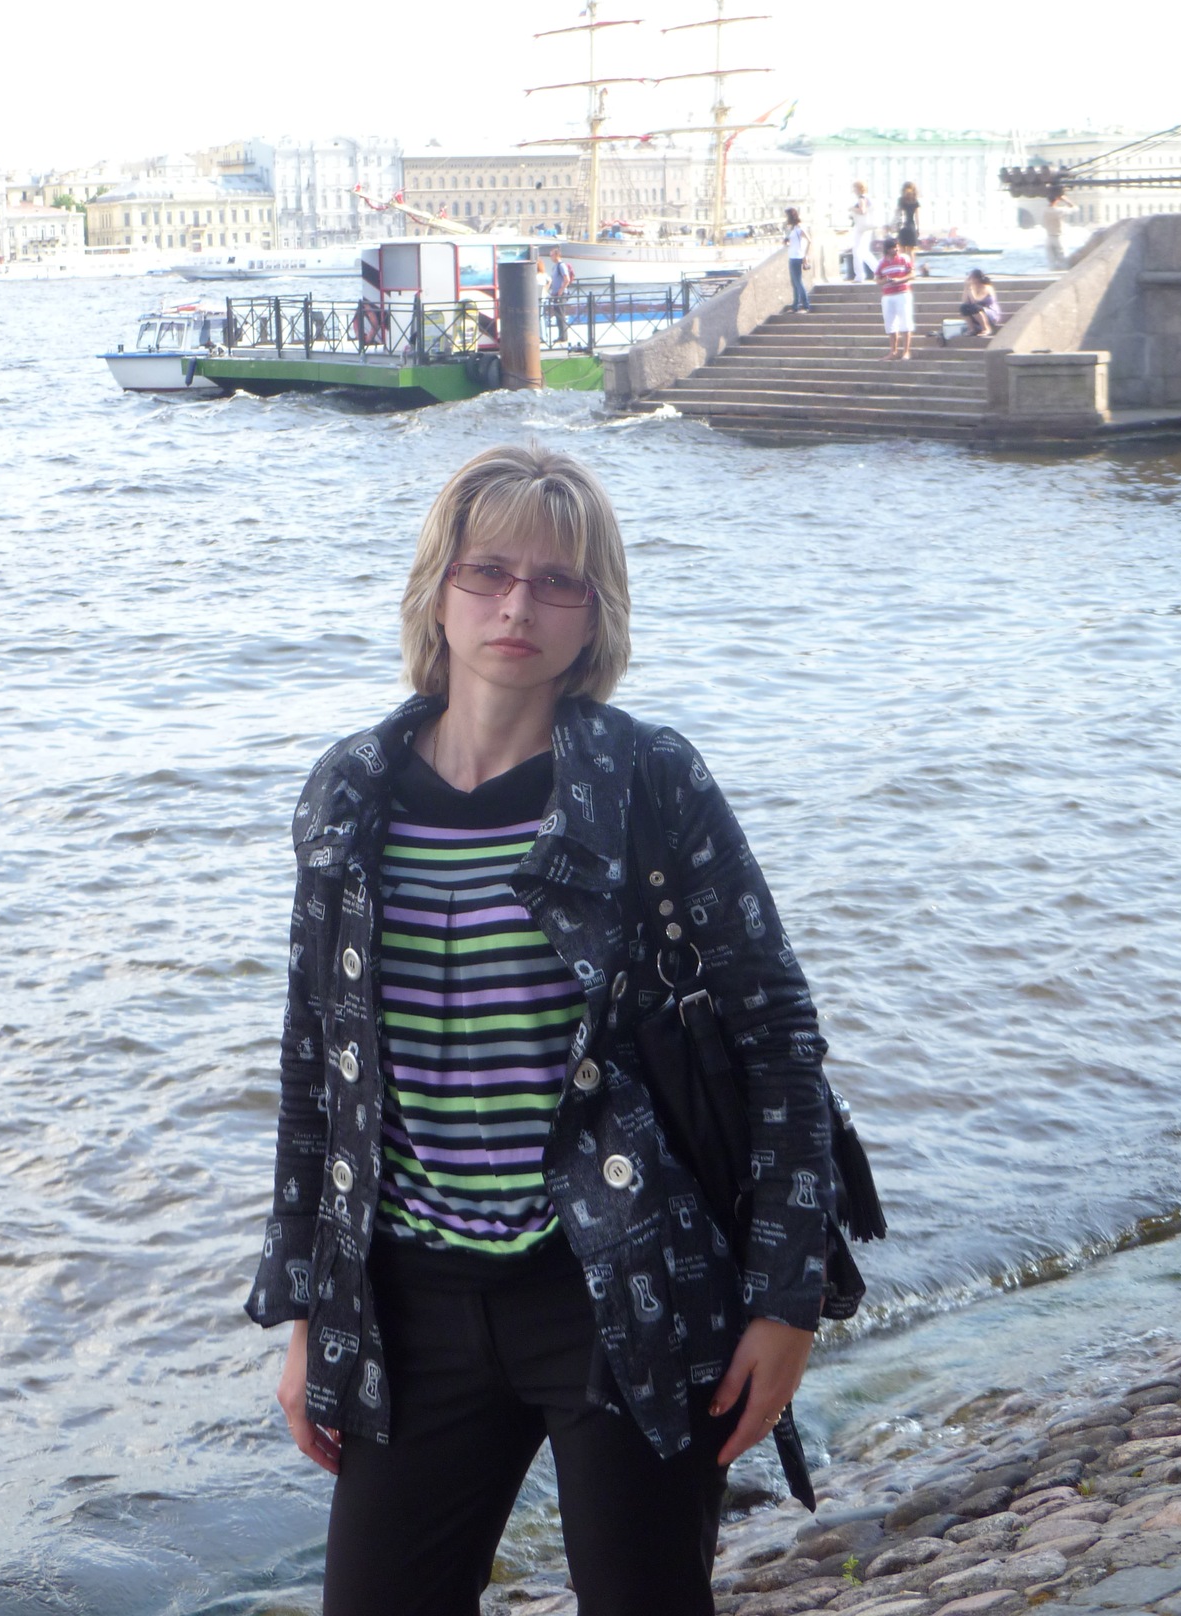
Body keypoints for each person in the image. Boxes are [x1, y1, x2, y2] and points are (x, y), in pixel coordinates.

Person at [247, 443, 836, 1616]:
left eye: (557, 580)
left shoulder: (648, 779)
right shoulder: (349, 788)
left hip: (622, 1284)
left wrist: (787, 1300)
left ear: (594, 613)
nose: (518, 605)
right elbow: (318, 1065)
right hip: (412, 1296)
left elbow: (778, 1032)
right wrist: (308, 1307)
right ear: (440, 588)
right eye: (489, 570)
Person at [873, 232, 915, 359]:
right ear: (887, 249)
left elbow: (912, 274)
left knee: (905, 322)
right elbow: (877, 280)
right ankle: (893, 351)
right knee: (890, 324)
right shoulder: (881, 262)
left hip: (903, 293)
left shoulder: (904, 259)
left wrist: (899, 280)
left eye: (897, 247)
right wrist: (885, 280)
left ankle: (906, 351)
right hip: (888, 295)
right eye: (893, 247)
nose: (896, 249)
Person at [959, 268, 1002, 338]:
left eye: (971, 277)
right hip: (978, 312)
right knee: (963, 307)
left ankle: (986, 329)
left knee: (975, 307)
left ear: (976, 279)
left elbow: (976, 301)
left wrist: (970, 289)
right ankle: (972, 329)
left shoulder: (987, 287)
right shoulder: (972, 288)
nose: (969, 279)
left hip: (990, 313)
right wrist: (966, 288)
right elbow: (965, 301)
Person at [847, 182, 877, 282]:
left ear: (858, 188)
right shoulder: (867, 198)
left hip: (861, 228)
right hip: (866, 228)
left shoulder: (861, 198)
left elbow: (862, 211)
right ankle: (878, 271)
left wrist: (852, 209)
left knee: (856, 251)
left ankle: (859, 275)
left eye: (854, 188)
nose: (853, 190)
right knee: (864, 252)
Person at [784, 206, 812, 311]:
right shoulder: (792, 228)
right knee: (794, 283)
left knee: (798, 282)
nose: (786, 218)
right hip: (792, 256)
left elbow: (809, 240)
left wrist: (806, 255)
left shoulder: (799, 228)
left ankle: (806, 304)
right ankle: (795, 305)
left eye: (787, 216)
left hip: (797, 257)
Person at [547, 252, 575, 341]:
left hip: (560, 294)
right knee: (558, 315)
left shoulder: (561, 266)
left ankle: (563, 337)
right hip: (556, 294)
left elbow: (567, 279)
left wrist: (561, 290)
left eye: (552, 255)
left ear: (556, 255)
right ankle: (561, 336)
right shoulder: (555, 266)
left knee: (561, 315)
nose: (550, 257)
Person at [893, 181, 921, 252]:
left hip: (902, 227)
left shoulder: (901, 200)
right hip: (911, 227)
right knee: (911, 251)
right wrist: (918, 229)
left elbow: (897, 213)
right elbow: (917, 217)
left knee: (901, 250)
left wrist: (894, 225)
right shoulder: (915, 201)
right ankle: (910, 260)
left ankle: (903, 260)